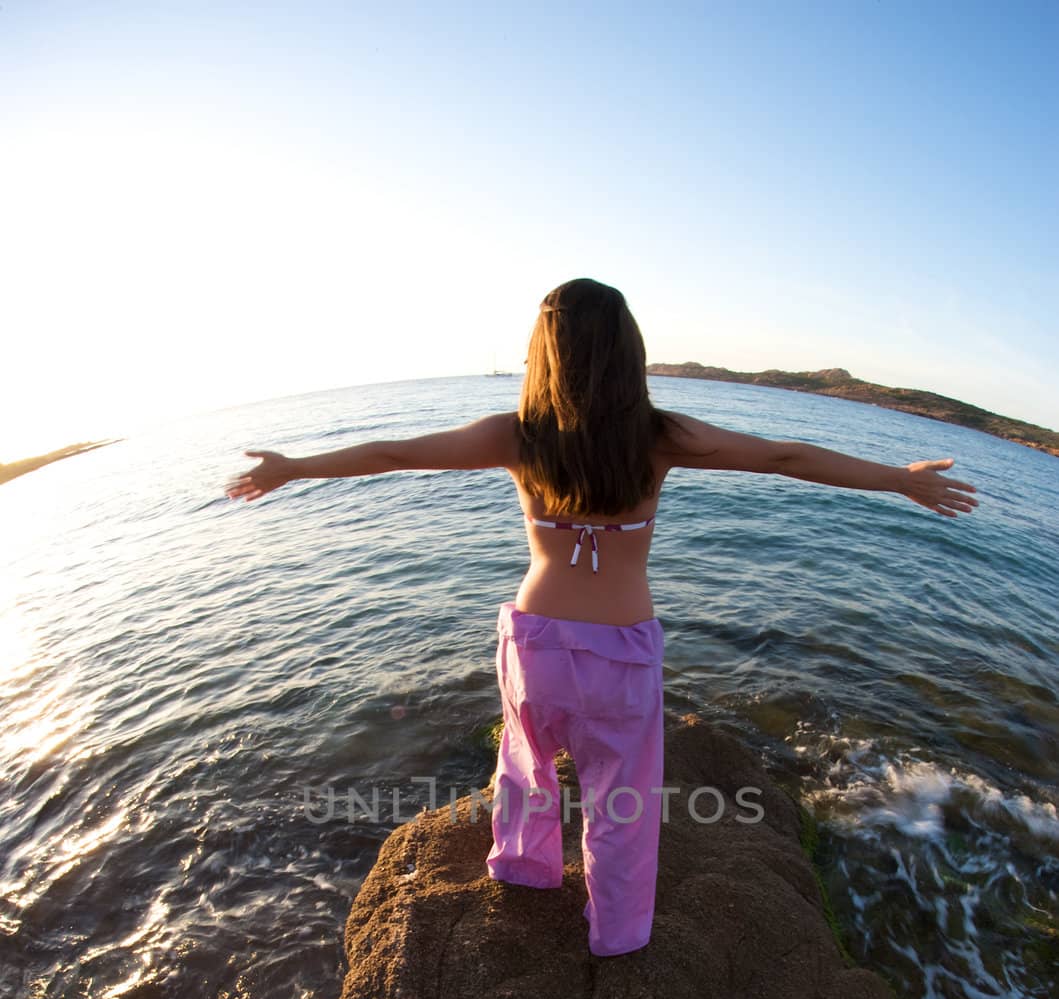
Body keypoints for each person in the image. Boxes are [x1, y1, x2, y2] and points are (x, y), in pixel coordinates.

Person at [224, 277, 978, 957]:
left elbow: (394, 454)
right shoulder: (658, 437)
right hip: (620, 649)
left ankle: (525, 872)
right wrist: (896, 481)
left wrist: (293, 467)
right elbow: (783, 458)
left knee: (524, 770)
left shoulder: (514, 435)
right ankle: (616, 934)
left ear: (542, 351)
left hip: (535, 639)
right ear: (628, 353)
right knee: (622, 799)